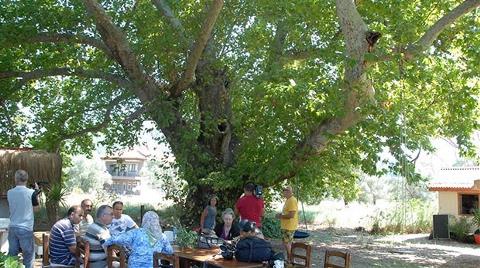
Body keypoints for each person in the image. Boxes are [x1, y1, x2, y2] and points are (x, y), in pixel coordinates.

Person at [103, 211, 173, 268]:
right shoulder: (163, 236)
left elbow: (118, 238)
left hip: (135, 265)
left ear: (144, 220)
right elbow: (169, 251)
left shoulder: (136, 232)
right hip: (153, 265)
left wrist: (107, 242)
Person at [7, 169, 40, 268]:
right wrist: (37, 193)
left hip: (12, 227)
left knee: (12, 255)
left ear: (15, 179)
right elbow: (37, 209)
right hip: (25, 228)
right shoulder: (32, 193)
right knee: (28, 255)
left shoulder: (9, 192)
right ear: (26, 179)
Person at [276, 185, 298, 262]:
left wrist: (280, 216)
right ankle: (289, 258)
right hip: (286, 226)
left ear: (289, 192)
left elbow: (291, 215)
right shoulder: (288, 200)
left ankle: (291, 259)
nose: (283, 193)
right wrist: (281, 215)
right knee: (286, 243)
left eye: (284, 191)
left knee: (287, 243)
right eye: (283, 191)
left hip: (289, 226)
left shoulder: (292, 200)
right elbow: (287, 213)